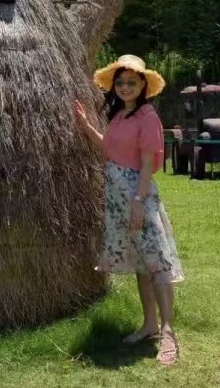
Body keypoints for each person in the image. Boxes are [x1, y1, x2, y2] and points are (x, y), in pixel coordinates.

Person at [74, 55, 184, 366]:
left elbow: (148, 163)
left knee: (157, 261)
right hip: (117, 197)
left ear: (143, 85)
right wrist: (84, 126)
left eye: (131, 82)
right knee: (141, 263)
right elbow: (107, 148)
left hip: (138, 195)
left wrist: (138, 202)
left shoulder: (147, 116)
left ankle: (168, 331)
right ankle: (149, 323)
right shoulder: (120, 116)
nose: (125, 87)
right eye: (120, 82)